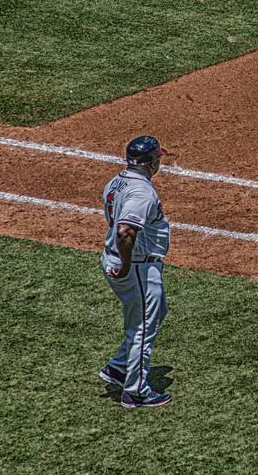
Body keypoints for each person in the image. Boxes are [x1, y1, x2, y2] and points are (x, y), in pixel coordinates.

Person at [99, 135, 172, 408]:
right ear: (152, 162)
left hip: (123, 260)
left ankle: (118, 367)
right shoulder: (142, 192)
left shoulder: (117, 181)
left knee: (156, 311)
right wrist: (128, 264)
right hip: (138, 266)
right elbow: (125, 230)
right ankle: (137, 390)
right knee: (143, 326)